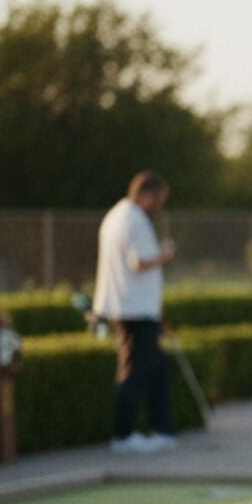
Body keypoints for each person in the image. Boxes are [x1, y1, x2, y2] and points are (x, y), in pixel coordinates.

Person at [94, 170, 177, 453]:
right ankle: (123, 434)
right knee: (136, 371)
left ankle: (162, 429)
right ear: (147, 195)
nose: (160, 207)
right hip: (135, 309)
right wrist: (164, 256)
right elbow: (139, 261)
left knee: (156, 367)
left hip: (129, 306)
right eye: (159, 200)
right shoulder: (135, 220)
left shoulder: (115, 215)